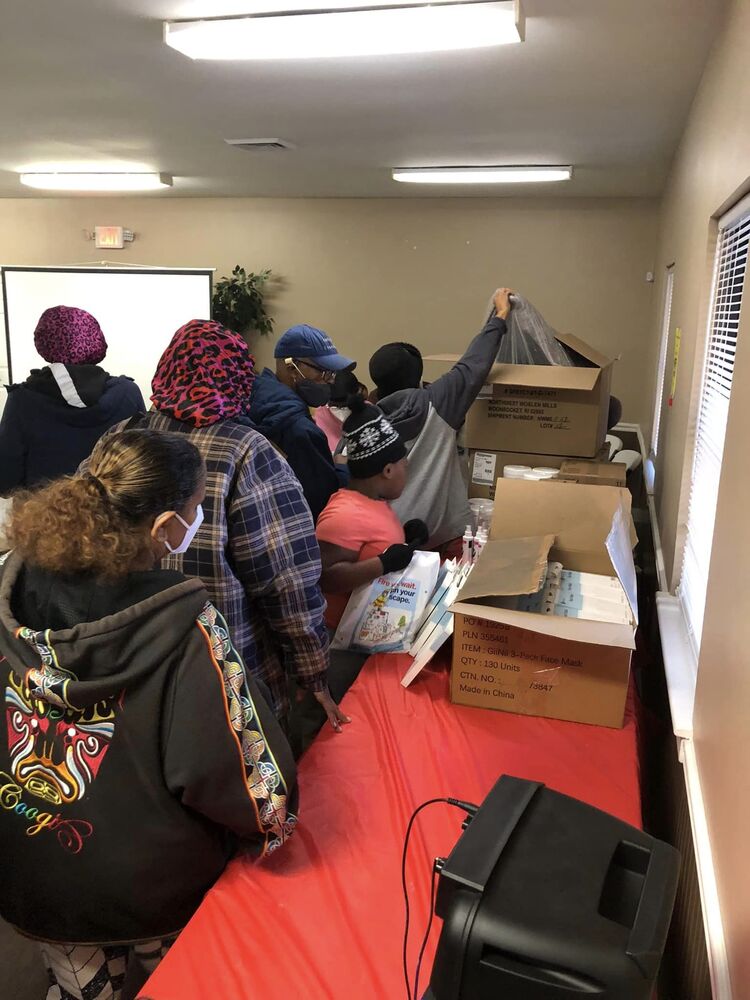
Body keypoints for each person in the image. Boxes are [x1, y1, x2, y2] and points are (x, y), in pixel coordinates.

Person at [0, 428, 297, 1000]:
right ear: (165, 528)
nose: (198, 518)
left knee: (79, 986)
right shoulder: (185, 628)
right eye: (195, 509)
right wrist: (273, 824)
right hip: (153, 881)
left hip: (29, 863)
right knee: (181, 981)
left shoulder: (7, 589)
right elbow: (252, 783)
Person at [88, 319, 345, 735]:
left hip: (124, 672)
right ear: (238, 378)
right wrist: (313, 672)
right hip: (224, 683)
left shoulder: (118, 439)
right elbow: (287, 581)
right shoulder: (247, 451)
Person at [370, 287, 512, 555]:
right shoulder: (438, 404)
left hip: (385, 547)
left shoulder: (363, 425)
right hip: (442, 544)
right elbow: (474, 362)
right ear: (418, 377)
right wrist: (501, 314)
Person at [0, 305, 144, 494]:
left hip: (44, 517)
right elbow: (142, 468)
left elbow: (6, 480)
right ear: (97, 341)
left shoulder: (22, 400)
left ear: (43, 344)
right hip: (113, 517)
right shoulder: (128, 393)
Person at [248, 324, 355, 522]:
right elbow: (323, 501)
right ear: (292, 368)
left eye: (332, 374)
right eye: (324, 373)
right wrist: (342, 469)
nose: (330, 382)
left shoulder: (251, 399)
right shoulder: (300, 430)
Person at [313, 369, 368, 455]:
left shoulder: (371, 412)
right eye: (336, 406)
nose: (341, 412)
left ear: (359, 392)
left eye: (346, 406)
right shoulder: (318, 419)